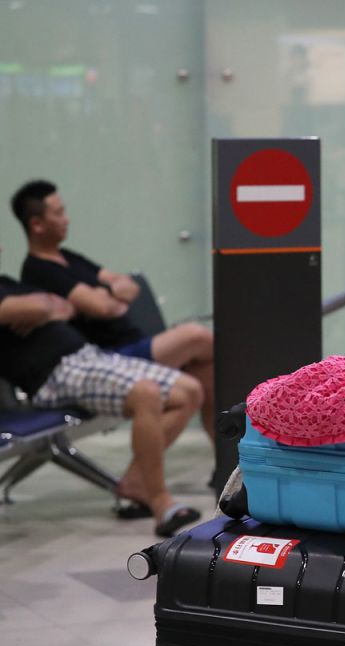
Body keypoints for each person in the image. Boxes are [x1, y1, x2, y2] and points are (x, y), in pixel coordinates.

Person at [0, 251, 203, 536]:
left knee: (189, 392)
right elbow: (42, 309)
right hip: (55, 375)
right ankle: (162, 504)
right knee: (146, 393)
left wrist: (45, 306)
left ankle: (135, 482)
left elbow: (64, 308)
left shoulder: (8, 283)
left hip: (88, 357)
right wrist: (43, 307)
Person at [11, 180, 217, 440]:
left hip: (135, 345)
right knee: (198, 337)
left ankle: (220, 456)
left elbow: (128, 287)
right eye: (58, 213)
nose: (67, 219)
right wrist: (107, 294)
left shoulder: (69, 257)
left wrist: (101, 295)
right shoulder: (39, 269)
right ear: (37, 225)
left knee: (203, 368)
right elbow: (104, 307)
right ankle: (145, 472)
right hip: (110, 357)